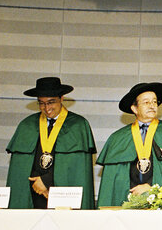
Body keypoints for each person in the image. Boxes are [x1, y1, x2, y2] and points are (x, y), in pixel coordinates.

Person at [96, 82, 162, 206]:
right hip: (127, 203)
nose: (152, 106)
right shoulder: (118, 138)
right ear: (134, 108)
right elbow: (112, 184)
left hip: (161, 206)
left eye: (154, 102)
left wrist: (153, 188)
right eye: (146, 102)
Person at [6, 77, 96, 209]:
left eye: (51, 102)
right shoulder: (27, 125)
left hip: (65, 194)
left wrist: (46, 180)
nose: (46, 108)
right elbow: (21, 165)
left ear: (62, 98)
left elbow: (76, 165)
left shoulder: (78, 125)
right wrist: (37, 182)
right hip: (34, 193)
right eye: (41, 103)